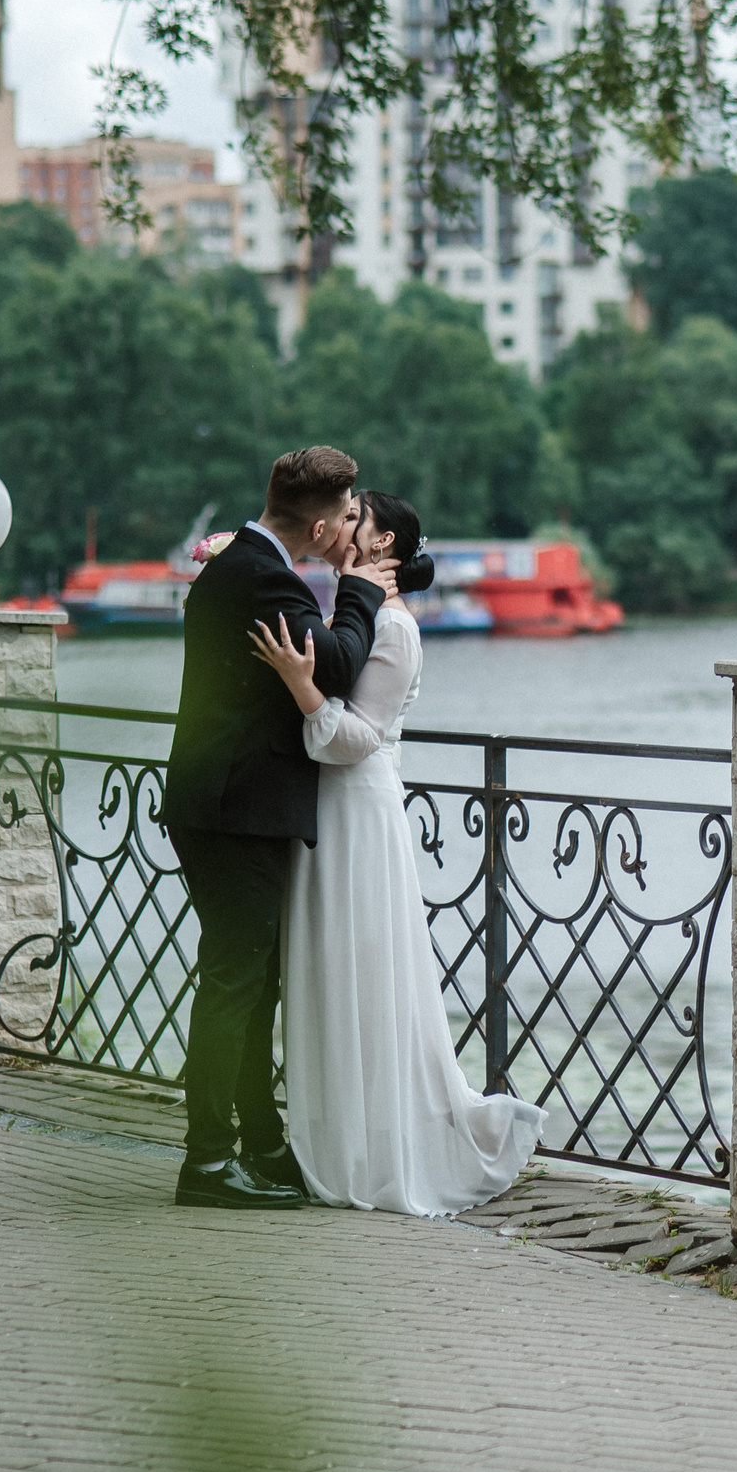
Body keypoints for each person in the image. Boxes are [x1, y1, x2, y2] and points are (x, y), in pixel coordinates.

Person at [247, 490, 546, 1215]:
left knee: (365, 969)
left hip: (359, 810)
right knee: (327, 968)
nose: (342, 523)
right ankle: (336, 1132)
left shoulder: (396, 628)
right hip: (327, 809)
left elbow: (357, 738)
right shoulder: (356, 609)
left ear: (382, 546)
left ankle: (377, 1148)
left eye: (357, 518)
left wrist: (297, 683)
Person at [165, 447, 396, 1209]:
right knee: (235, 982)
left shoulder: (237, 565)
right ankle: (206, 1160)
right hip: (237, 809)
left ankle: (260, 1143)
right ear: (323, 523)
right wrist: (359, 591)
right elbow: (333, 666)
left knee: (250, 981)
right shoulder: (266, 577)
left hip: (220, 802)